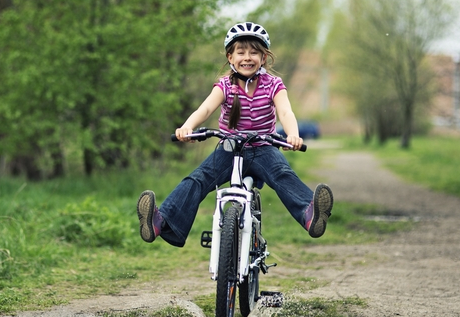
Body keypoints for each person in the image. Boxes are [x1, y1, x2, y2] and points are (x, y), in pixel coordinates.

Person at [137, 22, 333, 247]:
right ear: (230, 57)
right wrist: (187, 127)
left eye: (254, 52)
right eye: (241, 52)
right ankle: (159, 222)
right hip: (229, 148)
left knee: (282, 173)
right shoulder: (225, 86)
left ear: (263, 58)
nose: (247, 57)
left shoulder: (273, 84)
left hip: (264, 148)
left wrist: (293, 135)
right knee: (198, 179)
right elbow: (206, 109)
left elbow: (285, 111)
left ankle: (311, 215)